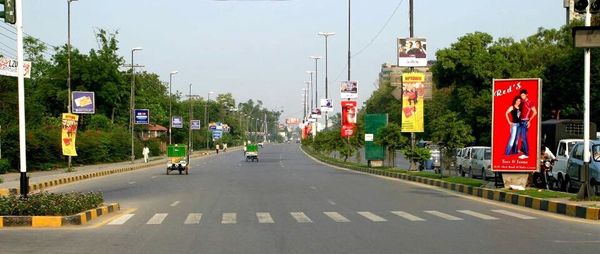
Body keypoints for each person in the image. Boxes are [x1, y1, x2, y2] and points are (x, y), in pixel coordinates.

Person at [517, 89, 537, 159]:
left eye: (523, 95)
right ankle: (524, 150)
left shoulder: (529, 102)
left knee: (524, 137)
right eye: (521, 95)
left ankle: (526, 154)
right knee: (521, 137)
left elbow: (535, 112)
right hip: (520, 121)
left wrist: (529, 120)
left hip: (525, 121)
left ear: (526, 95)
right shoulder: (521, 102)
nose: (522, 96)